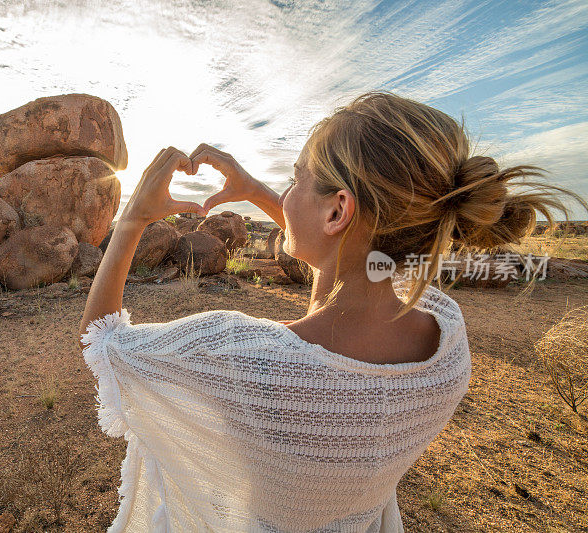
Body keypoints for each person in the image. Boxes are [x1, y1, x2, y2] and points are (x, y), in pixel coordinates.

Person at [77, 92, 586, 532]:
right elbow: (356, 262)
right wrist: (255, 188)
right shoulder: (445, 339)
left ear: (338, 209)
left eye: (296, 179)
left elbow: (101, 342)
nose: (286, 193)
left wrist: (131, 219)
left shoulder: (243, 358)